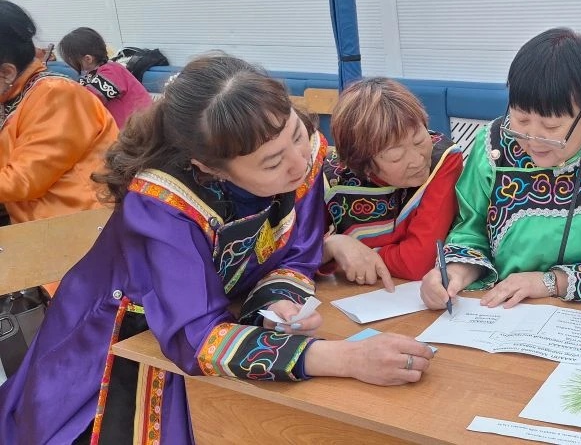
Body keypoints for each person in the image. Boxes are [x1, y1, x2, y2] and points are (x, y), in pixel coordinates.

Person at [0, 55, 434, 445]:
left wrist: (277, 301)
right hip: (124, 343)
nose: (300, 163)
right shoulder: (161, 204)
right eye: (271, 162)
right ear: (209, 168)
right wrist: (347, 358)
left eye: (298, 135)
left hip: (221, 316)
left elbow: (296, 252)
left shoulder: (297, 152)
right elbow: (196, 338)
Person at [419, 27, 581, 310]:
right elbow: (470, 229)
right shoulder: (493, 142)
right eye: (521, 119)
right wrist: (455, 273)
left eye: (551, 126)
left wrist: (551, 282)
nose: (532, 139)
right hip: (500, 312)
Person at [320, 77, 463, 286]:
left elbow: (417, 261)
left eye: (419, 140)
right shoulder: (329, 178)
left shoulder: (444, 160)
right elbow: (298, 254)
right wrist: (333, 245)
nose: (417, 160)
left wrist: (353, 259)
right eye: (396, 156)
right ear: (364, 164)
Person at [0, 0, 118, 225]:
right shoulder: (13, 95)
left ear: (7, 72)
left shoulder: (56, 94)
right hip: (38, 225)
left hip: (82, 227)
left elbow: (23, 179)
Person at [58, 26, 153, 128]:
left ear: (88, 59)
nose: (69, 64)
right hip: (129, 128)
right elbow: (78, 89)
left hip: (140, 128)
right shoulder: (93, 74)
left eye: (71, 60)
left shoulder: (112, 71)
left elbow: (89, 99)